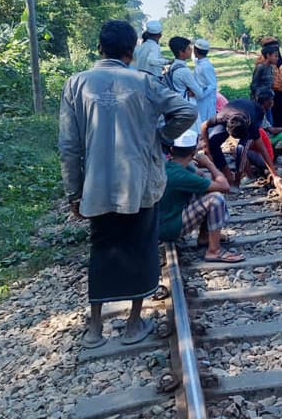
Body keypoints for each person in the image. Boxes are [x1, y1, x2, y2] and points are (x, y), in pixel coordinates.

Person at [58, 20, 197, 349]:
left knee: (102, 250)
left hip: (97, 186)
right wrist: (161, 137)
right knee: (140, 248)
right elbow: (186, 111)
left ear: (99, 47)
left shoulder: (76, 84)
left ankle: (94, 329)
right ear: (131, 50)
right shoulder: (144, 82)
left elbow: (69, 146)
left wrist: (73, 192)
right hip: (140, 185)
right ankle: (133, 325)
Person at [159, 130, 242, 263]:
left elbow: (202, 177)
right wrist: (209, 164)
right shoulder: (181, 174)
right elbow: (224, 186)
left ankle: (205, 236)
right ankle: (214, 251)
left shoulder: (172, 166)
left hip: (163, 223)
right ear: (193, 153)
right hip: (168, 228)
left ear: (172, 149)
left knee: (207, 189)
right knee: (216, 198)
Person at [199, 93, 282, 188]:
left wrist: (275, 175)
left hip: (252, 112)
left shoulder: (252, 125)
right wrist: (207, 148)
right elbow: (203, 126)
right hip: (231, 111)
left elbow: (262, 148)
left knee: (241, 150)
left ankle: (237, 181)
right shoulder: (221, 117)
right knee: (213, 142)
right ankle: (228, 174)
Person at [166, 36, 203, 131]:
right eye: (188, 49)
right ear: (181, 53)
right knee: (193, 136)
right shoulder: (183, 71)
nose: (191, 50)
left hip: (178, 105)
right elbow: (199, 93)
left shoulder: (173, 66)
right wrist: (192, 91)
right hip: (188, 106)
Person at [193, 39, 219, 125]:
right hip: (201, 98)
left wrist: (199, 93)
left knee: (205, 123)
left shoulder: (205, 66)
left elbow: (212, 85)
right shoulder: (199, 63)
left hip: (206, 99)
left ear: (195, 50)